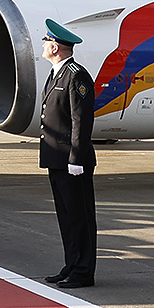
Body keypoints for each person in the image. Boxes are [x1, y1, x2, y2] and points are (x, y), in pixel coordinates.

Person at [39, 19, 97, 289]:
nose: (43, 45)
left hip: (72, 161)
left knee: (79, 217)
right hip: (57, 159)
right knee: (66, 217)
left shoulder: (76, 75)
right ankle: (71, 264)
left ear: (55, 47)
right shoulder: (56, 74)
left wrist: (76, 158)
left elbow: (81, 121)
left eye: (46, 41)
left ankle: (83, 271)